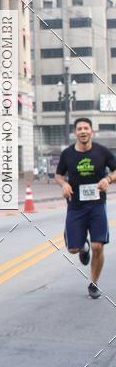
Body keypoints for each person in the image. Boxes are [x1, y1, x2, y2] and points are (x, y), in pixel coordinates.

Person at [55, 117, 116, 298]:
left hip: (97, 205)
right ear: (76, 132)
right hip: (75, 206)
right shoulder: (67, 154)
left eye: (86, 128)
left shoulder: (102, 152)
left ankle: (94, 283)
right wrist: (63, 185)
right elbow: (58, 175)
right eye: (79, 128)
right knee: (73, 249)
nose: (83, 131)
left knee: (99, 246)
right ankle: (83, 247)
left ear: (92, 131)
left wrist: (108, 179)